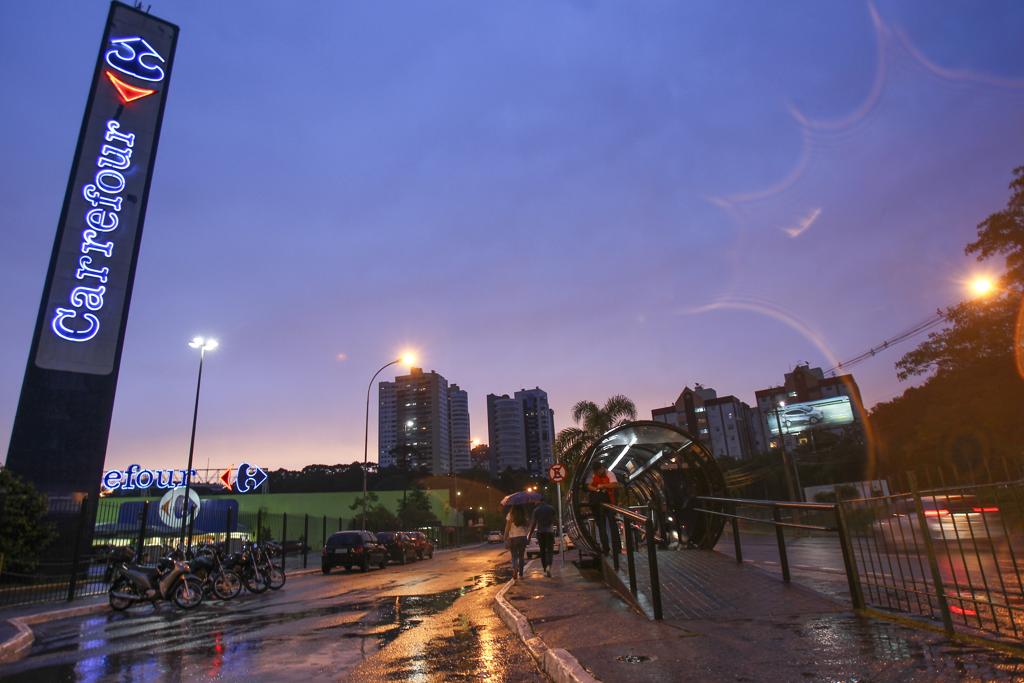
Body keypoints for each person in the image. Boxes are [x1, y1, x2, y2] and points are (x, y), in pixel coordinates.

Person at [587, 462, 621, 555]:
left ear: (602, 468)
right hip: (599, 506)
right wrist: (596, 489)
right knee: (601, 527)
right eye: (595, 472)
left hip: (610, 503)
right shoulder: (595, 476)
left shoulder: (610, 474)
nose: (597, 473)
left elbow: (615, 484)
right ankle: (606, 548)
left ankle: (617, 548)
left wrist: (603, 486)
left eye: (598, 471)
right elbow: (589, 486)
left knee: (612, 525)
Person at [529, 498, 557, 577]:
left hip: (540, 533)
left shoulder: (536, 510)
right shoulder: (551, 508)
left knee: (543, 551)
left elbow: (534, 523)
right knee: (550, 550)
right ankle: (549, 566)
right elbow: (555, 520)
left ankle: (545, 569)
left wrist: (530, 535)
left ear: (540, 501)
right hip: (550, 532)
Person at [504, 504, 529, 581]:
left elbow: (507, 527)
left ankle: (515, 570)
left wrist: (505, 537)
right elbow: (527, 526)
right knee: (521, 557)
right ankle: (521, 574)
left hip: (513, 538)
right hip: (522, 537)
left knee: (514, 556)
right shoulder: (523, 515)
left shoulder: (510, 515)